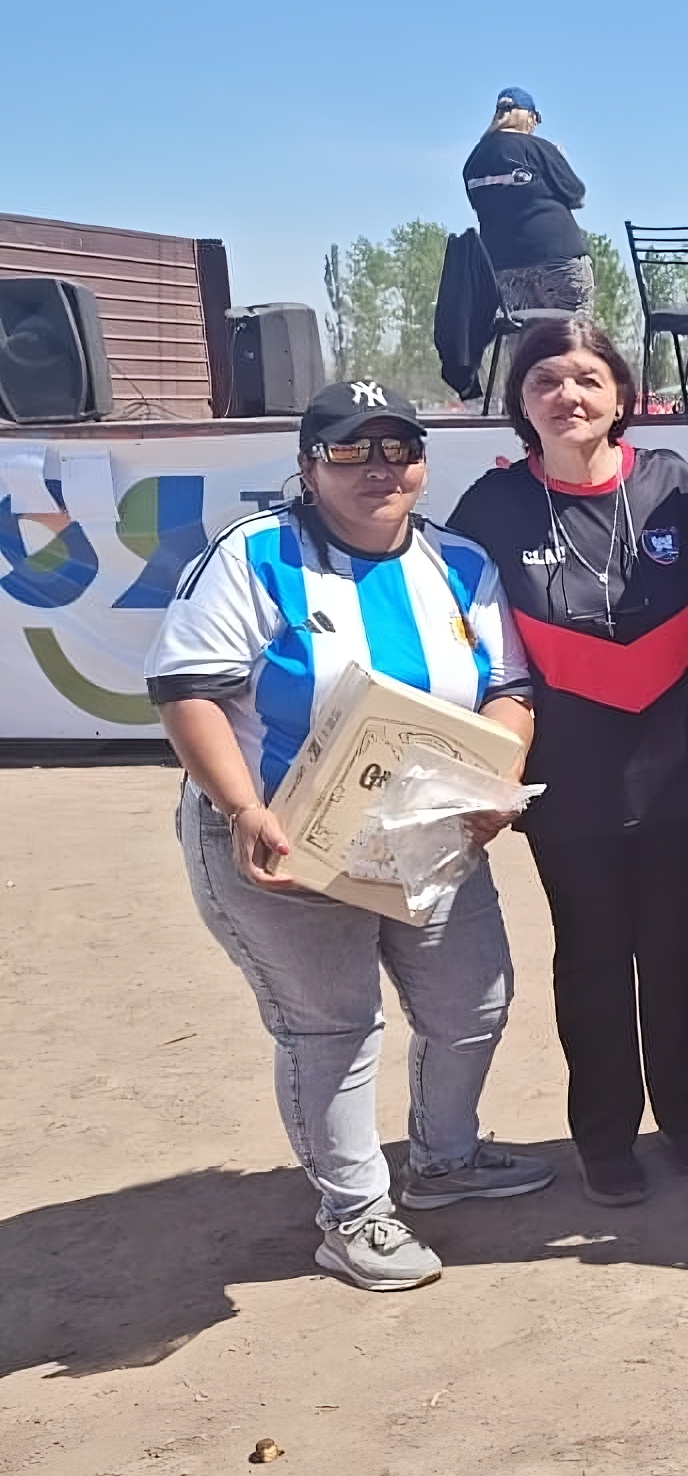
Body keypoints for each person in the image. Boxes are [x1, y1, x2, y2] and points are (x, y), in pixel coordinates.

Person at [146, 380, 552, 1291]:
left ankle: (445, 1160)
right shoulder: (254, 557)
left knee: (472, 1005)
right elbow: (188, 691)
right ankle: (354, 1214)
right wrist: (247, 812)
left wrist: (494, 783)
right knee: (332, 1029)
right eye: (348, 449)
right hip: (285, 840)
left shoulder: (460, 562)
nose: (378, 468)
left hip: (425, 834)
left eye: (397, 447)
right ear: (307, 464)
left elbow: (509, 689)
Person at [445, 320, 688, 1207]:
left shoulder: (674, 485)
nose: (567, 396)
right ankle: (605, 1134)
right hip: (566, 772)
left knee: (678, 950)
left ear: (623, 397)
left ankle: (685, 1111)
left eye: (587, 380)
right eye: (545, 382)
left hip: (680, 756)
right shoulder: (489, 508)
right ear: (519, 404)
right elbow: (466, 632)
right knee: (594, 954)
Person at [461, 87, 594, 313]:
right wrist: (559, 158)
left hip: (502, 269)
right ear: (528, 116)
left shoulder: (473, 161)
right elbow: (576, 193)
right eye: (536, 118)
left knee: (523, 339)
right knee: (573, 337)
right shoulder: (540, 148)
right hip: (558, 261)